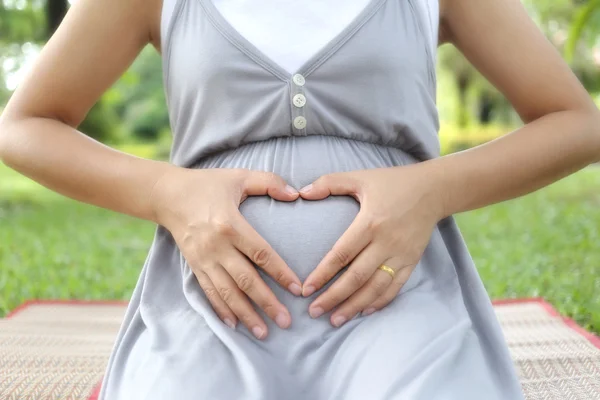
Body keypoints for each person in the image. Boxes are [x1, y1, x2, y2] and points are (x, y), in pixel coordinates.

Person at [0, 0, 599, 398]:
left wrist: (429, 188)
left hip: (392, 302)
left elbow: (575, 121)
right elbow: (24, 125)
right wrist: (168, 191)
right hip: (213, 309)